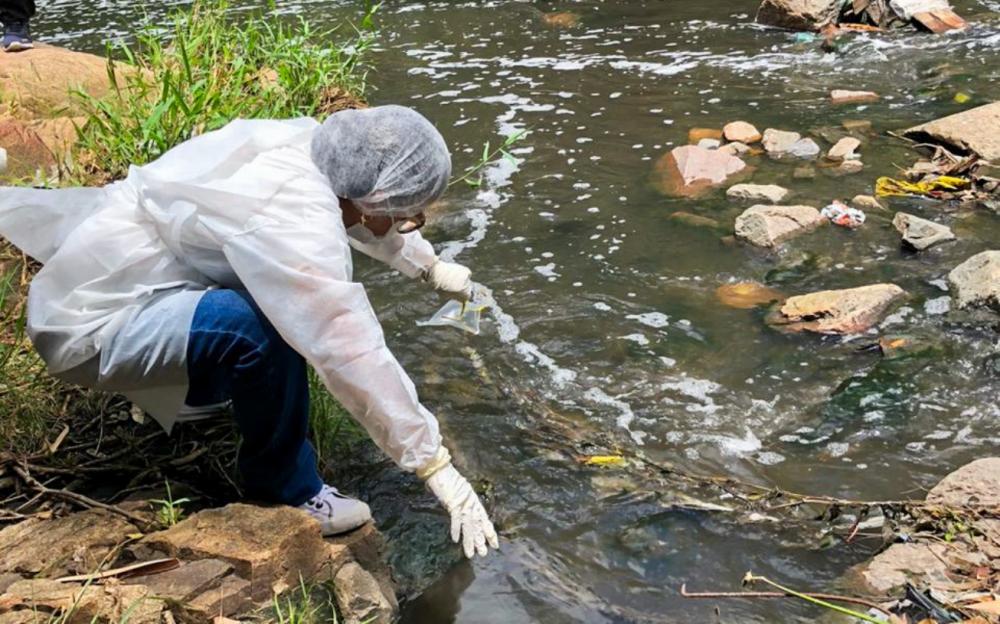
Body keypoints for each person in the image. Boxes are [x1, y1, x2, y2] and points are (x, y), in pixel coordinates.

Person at [0, 105, 500, 559]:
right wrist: (432, 462)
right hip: (97, 326)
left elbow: (361, 215)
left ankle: (193, 392)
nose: (410, 222)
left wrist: (429, 268)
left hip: (132, 282)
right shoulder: (292, 214)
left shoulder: (315, 150)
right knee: (265, 328)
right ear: (375, 197)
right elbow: (348, 347)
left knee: (262, 310)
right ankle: (287, 489)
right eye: (409, 212)